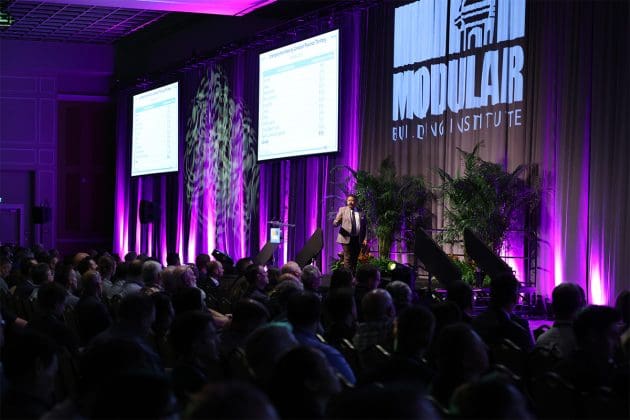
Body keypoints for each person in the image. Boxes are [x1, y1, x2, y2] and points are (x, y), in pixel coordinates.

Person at [333, 194, 367, 272]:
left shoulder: (360, 211)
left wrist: (365, 238)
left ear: (356, 202)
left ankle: (353, 275)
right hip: (346, 237)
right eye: (349, 200)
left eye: (352, 200)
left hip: (357, 238)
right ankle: (347, 276)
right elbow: (336, 222)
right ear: (347, 201)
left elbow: (364, 226)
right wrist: (336, 222)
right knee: (347, 257)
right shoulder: (342, 210)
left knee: (355, 258)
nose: (350, 202)